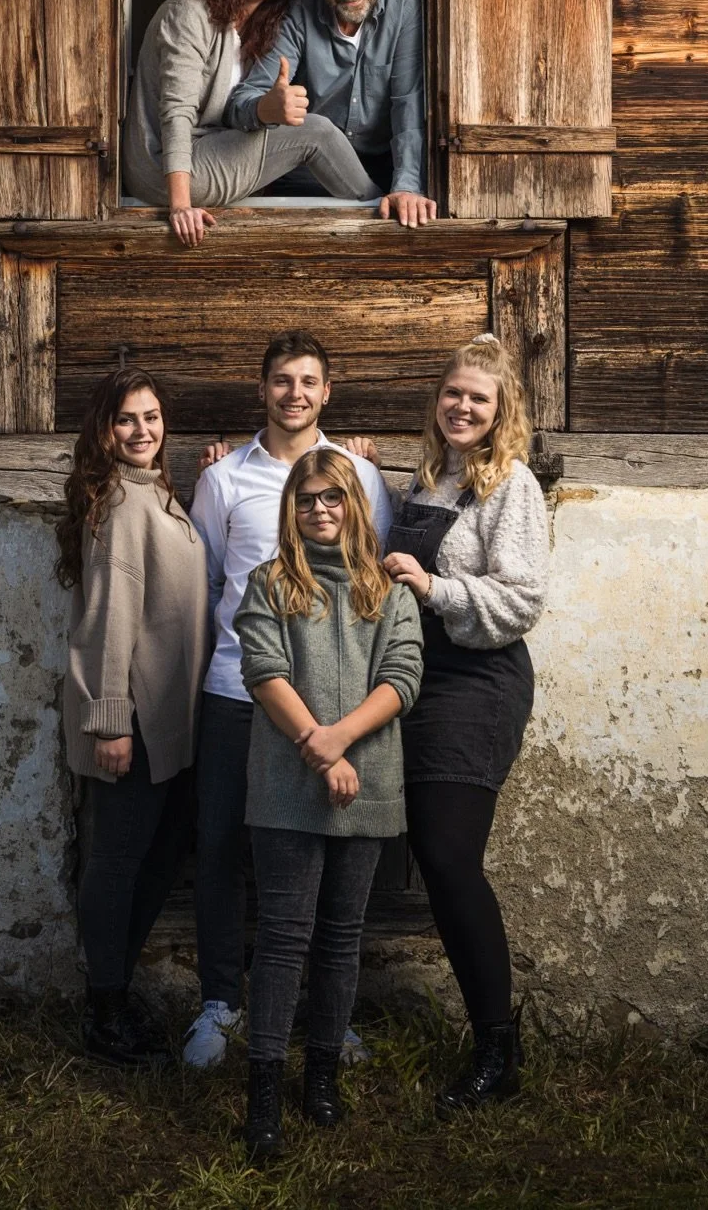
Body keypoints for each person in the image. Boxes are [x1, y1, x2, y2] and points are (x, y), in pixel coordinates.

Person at [347, 333, 549, 1114]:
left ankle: (498, 1048)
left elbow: (522, 599)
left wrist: (435, 590)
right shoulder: (426, 480)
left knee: (446, 855)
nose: (463, 406)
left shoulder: (510, 486)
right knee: (427, 852)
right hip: (414, 678)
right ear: (438, 402)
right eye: (453, 393)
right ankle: (491, 1042)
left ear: (501, 413)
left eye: (479, 398)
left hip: (476, 680)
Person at [183, 329, 393, 1069]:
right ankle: (220, 1003)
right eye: (281, 380)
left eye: (307, 381)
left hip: (330, 707)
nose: (294, 393)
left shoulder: (360, 478)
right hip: (236, 692)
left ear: (326, 391)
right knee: (218, 846)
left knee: (319, 854)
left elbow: (372, 588)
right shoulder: (222, 481)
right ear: (263, 387)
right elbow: (207, 585)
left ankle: (320, 1013)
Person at [235, 449, 423, 1158]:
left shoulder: (389, 592)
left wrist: (339, 745)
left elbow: (401, 678)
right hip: (287, 784)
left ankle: (319, 1080)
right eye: (306, 499)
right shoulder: (272, 583)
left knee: (343, 936)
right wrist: (317, 748)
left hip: (365, 780)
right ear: (291, 508)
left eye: (333, 498)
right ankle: (262, 1093)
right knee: (285, 936)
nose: (319, 510)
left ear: (354, 505)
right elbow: (264, 669)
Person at [55, 366, 209, 1066]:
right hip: (134, 720)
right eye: (126, 420)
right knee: (117, 863)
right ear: (104, 431)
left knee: (160, 854)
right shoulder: (120, 504)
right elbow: (106, 620)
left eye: (150, 417)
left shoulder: (158, 497)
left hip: (171, 719)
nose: (141, 430)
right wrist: (109, 720)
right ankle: (104, 1011)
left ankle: (114, 992)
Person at [122, 0, 393, 247]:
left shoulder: (259, 25)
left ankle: (374, 209)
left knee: (301, 130)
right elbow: (177, 113)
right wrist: (180, 205)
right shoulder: (188, 13)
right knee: (316, 132)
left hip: (209, 152)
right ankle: (385, 215)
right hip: (165, 169)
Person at [225, 0, 437, 227]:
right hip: (305, 178)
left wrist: (406, 186)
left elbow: (408, 103)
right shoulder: (298, 10)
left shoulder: (405, 3)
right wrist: (266, 108)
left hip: (385, 173)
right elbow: (241, 103)